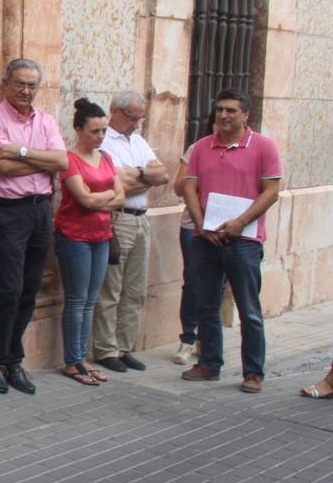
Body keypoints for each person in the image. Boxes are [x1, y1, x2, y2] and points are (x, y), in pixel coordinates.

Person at [0, 59, 69, 396]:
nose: (26, 91)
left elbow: (63, 161)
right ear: (5, 84)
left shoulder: (45, 121)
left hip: (40, 211)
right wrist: (40, 161)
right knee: (9, 290)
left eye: (31, 85)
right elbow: (2, 166)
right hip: (7, 212)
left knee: (29, 290)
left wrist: (24, 152)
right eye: (20, 84)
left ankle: (15, 360)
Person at [181, 90, 283, 393]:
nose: (224, 116)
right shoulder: (201, 147)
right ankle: (210, 364)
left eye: (231, 111)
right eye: (220, 110)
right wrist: (201, 224)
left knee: (248, 308)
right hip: (206, 237)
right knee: (206, 304)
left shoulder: (264, 146)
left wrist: (240, 222)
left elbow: (271, 190)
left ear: (245, 115)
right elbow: (189, 187)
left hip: (244, 240)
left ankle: (253, 372)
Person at [90, 92, 169, 374]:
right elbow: (114, 184)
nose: (137, 123)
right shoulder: (104, 140)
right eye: (133, 117)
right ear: (116, 111)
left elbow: (163, 174)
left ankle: (125, 346)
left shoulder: (138, 141)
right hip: (118, 218)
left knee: (135, 289)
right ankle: (106, 348)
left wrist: (135, 176)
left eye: (140, 118)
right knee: (111, 288)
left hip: (141, 219)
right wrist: (143, 176)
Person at [54, 99, 124, 386]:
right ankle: (73, 361)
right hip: (74, 236)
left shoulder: (105, 157)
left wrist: (100, 199)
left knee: (91, 300)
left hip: (102, 235)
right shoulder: (69, 159)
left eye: (103, 131)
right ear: (79, 129)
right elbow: (82, 200)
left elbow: (121, 197)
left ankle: (81, 358)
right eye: (94, 131)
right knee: (76, 299)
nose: (100, 137)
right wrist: (106, 197)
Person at [170, 109, 217, 366]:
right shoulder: (197, 149)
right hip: (193, 226)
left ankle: (206, 340)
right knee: (192, 282)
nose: (223, 119)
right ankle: (188, 338)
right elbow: (178, 187)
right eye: (218, 115)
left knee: (217, 285)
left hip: (226, 228)